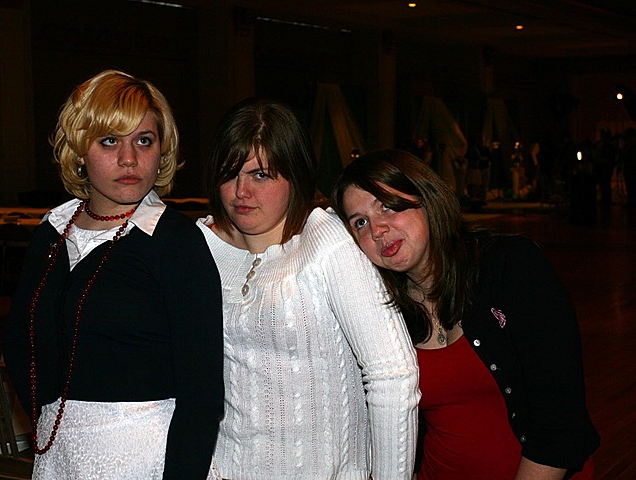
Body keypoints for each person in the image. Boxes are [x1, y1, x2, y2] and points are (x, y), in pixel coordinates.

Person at [2, 69, 224, 479]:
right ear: (79, 150)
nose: (129, 159)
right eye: (109, 141)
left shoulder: (175, 242)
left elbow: (203, 395)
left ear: (162, 149)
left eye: (144, 140)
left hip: (147, 458)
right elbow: (21, 341)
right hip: (59, 452)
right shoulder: (53, 230)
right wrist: (48, 418)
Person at [331, 149, 600, 480]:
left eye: (387, 205)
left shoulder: (510, 267)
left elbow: (561, 426)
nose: (377, 230)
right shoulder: (381, 310)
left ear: (426, 197)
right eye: (360, 222)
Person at [197, 98, 419, 479]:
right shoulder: (200, 247)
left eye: (261, 175)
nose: (240, 192)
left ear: (295, 175)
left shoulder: (325, 242)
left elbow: (393, 376)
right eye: (229, 174)